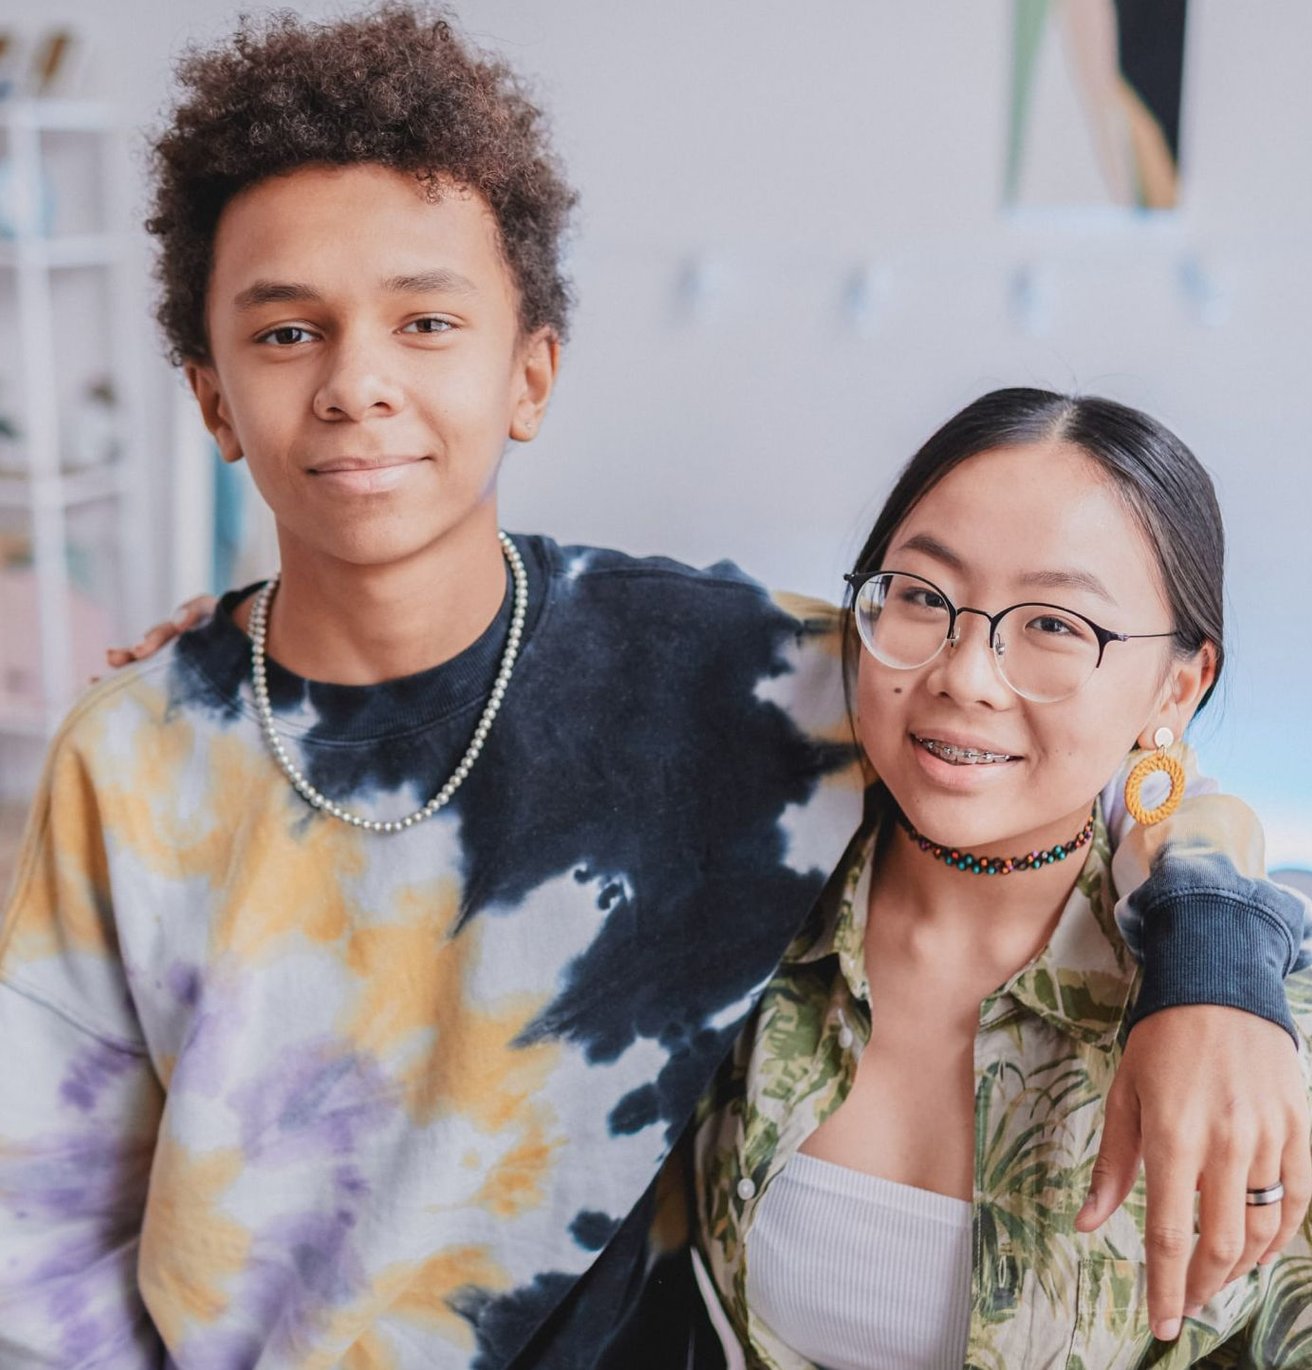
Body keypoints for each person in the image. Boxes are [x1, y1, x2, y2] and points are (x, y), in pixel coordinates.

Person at [0, 7, 1305, 1366]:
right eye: (285, 336)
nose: (358, 385)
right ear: (210, 395)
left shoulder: (734, 677)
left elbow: (1092, 745)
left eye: (427, 320)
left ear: (532, 371)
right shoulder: (135, 755)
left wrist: (1219, 968)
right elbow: (38, 1245)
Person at [694, 388, 1312, 1369]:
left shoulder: (1253, 1016)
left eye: (1056, 625)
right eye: (922, 596)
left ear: (1176, 686)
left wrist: (1218, 950)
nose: (965, 674)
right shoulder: (742, 907)